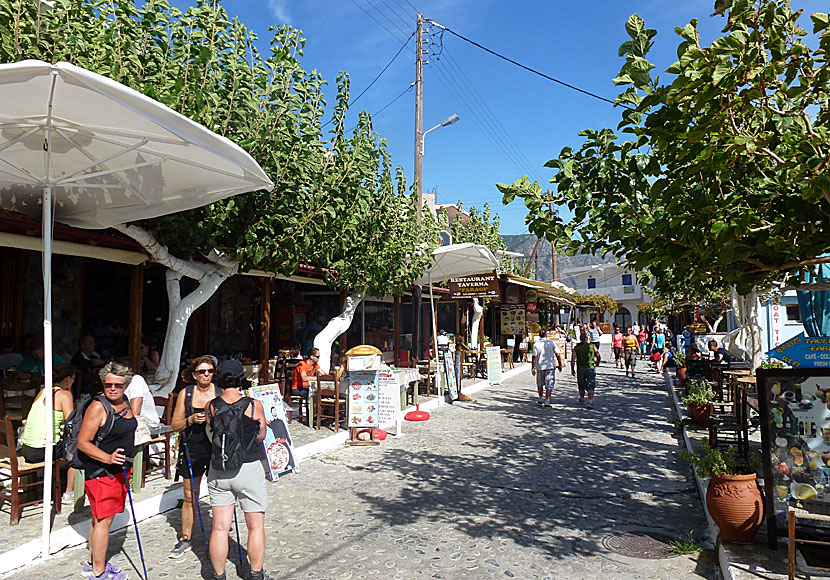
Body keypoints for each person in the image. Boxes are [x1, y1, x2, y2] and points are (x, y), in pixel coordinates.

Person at [206, 360, 268, 580]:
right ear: (241, 378)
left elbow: (211, 432)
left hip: (219, 468)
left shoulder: (212, 405)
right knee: (255, 526)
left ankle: (219, 574)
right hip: (248, 466)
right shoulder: (253, 405)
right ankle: (256, 573)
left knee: (220, 528)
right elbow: (261, 435)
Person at [77, 363, 135, 580]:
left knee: (99, 518)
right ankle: (98, 574)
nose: (112, 388)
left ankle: (92, 563)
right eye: (108, 384)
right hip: (102, 473)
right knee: (104, 521)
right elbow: (83, 442)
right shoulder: (98, 407)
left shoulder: (124, 403)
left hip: (117, 471)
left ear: (125, 385)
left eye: (117, 385)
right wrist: (108, 458)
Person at [169, 356, 221, 559]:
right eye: (201, 371)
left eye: (209, 371)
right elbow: (175, 425)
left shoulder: (220, 392)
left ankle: (218, 535)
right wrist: (190, 419)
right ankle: (185, 538)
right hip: (193, 447)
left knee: (220, 492)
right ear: (194, 374)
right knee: (190, 495)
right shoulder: (186, 393)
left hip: (216, 447)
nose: (206, 375)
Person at [20, 364, 77, 502]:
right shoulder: (64, 394)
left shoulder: (43, 391)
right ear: (69, 379)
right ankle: (69, 491)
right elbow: (71, 422)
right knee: (78, 448)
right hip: (42, 450)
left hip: (27, 449)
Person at [115, 358, 161, 435]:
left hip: (146, 426)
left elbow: (135, 412)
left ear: (130, 370)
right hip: (129, 422)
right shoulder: (117, 384)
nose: (117, 374)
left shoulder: (136, 380)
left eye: (120, 372)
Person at [530, 329, 563, 408]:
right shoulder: (551, 343)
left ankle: (541, 398)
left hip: (540, 366)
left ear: (539, 335)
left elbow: (534, 356)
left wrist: (533, 367)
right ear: (546, 335)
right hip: (550, 365)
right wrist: (560, 364)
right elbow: (558, 354)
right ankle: (547, 400)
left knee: (540, 383)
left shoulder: (536, 344)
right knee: (549, 383)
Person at [571, 332, 601, 408]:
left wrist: (572, 368)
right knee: (590, 384)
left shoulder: (576, 348)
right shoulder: (592, 346)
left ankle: (581, 398)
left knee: (581, 384)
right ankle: (590, 401)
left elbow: (573, 359)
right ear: (587, 339)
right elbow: (598, 354)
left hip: (580, 368)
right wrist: (597, 362)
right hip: (590, 367)